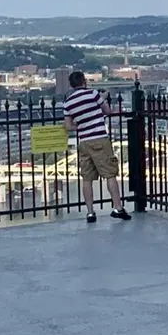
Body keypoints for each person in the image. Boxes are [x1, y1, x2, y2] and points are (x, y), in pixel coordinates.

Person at [62, 70, 130, 224]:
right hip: (100, 139)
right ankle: (118, 208)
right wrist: (103, 98)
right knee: (110, 174)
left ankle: (90, 212)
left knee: (87, 178)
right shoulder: (93, 94)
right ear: (84, 81)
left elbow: (68, 126)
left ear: (71, 85)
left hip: (83, 142)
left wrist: (80, 124)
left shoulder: (68, 102)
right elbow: (107, 111)